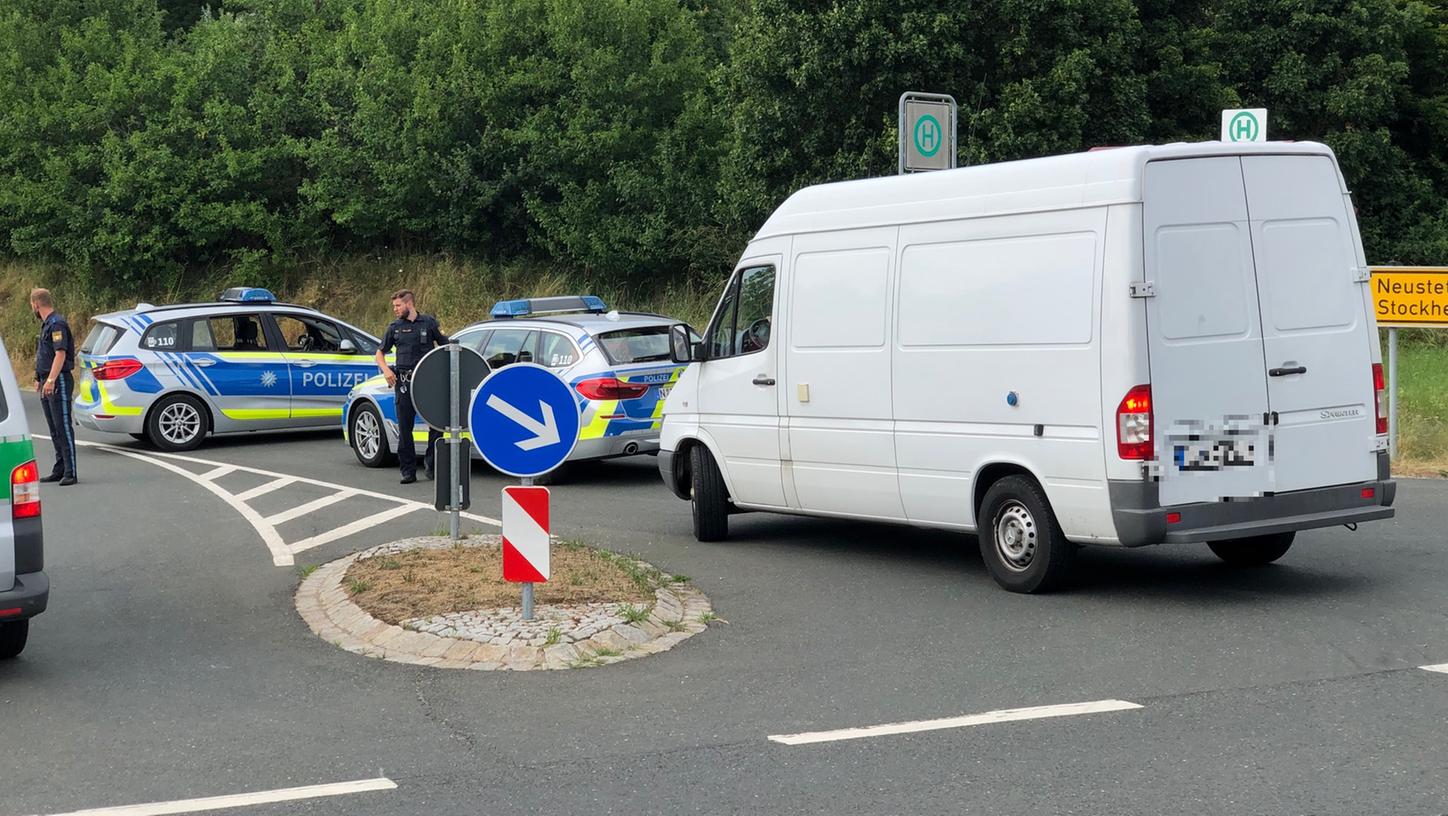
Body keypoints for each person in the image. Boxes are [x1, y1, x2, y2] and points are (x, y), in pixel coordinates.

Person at [375, 289, 448, 484]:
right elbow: (379, 353)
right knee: (405, 428)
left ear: (409, 304)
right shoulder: (394, 327)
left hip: (427, 381)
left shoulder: (429, 323)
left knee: (436, 425)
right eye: (394, 306)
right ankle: (408, 471)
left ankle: (432, 466)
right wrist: (386, 370)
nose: (395, 309)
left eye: (398, 306)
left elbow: (445, 347)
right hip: (405, 382)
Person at [31, 288, 77, 486]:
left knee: (63, 426)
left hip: (58, 381)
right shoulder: (46, 324)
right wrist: (38, 377)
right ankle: (59, 468)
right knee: (53, 428)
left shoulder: (56, 323)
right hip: (45, 380)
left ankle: (70, 471)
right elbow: (45, 353)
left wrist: (50, 380)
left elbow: (60, 354)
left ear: (36, 304)